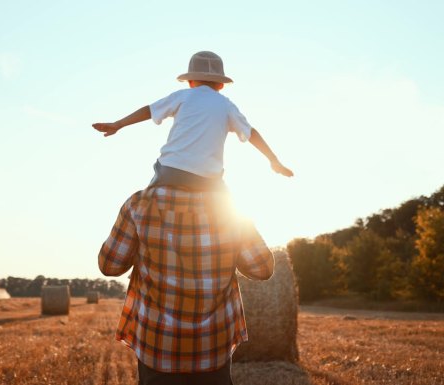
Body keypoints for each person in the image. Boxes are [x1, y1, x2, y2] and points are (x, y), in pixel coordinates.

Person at [98, 186, 274, 384]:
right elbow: (262, 267)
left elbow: (109, 266)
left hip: (157, 348)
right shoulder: (226, 206)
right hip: (213, 349)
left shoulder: (139, 204)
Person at [92, 51, 293, 191]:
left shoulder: (183, 96)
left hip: (170, 171)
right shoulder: (226, 105)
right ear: (221, 85)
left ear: (190, 81)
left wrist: (118, 124)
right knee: (228, 213)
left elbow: (149, 110)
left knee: (145, 201)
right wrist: (274, 161)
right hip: (209, 180)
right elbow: (252, 134)